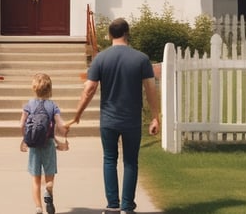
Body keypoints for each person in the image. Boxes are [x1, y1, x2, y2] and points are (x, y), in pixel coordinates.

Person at [67, 18, 160, 214]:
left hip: (109, 119)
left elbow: (89, 89)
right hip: (132, 119)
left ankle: (112, 205)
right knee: (130, 161)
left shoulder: (100, 59)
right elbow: (151, 89)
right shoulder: (141, 58)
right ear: (127, 33)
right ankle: (127, 206)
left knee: (109, 159)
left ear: (110, 35)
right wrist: (155, 117)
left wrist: (77, 114)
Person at [20, 73, 70, 214]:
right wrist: (64, 137)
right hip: (48, 144)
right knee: (49, 176)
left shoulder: (29, 105)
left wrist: (24, 139)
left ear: (34, 88)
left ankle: (38, 208)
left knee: (35, 179)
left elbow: (21, 124)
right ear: (50, 89)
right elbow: (61, 125)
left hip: (34, 146)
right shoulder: (53, 106)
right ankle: (48, 189)